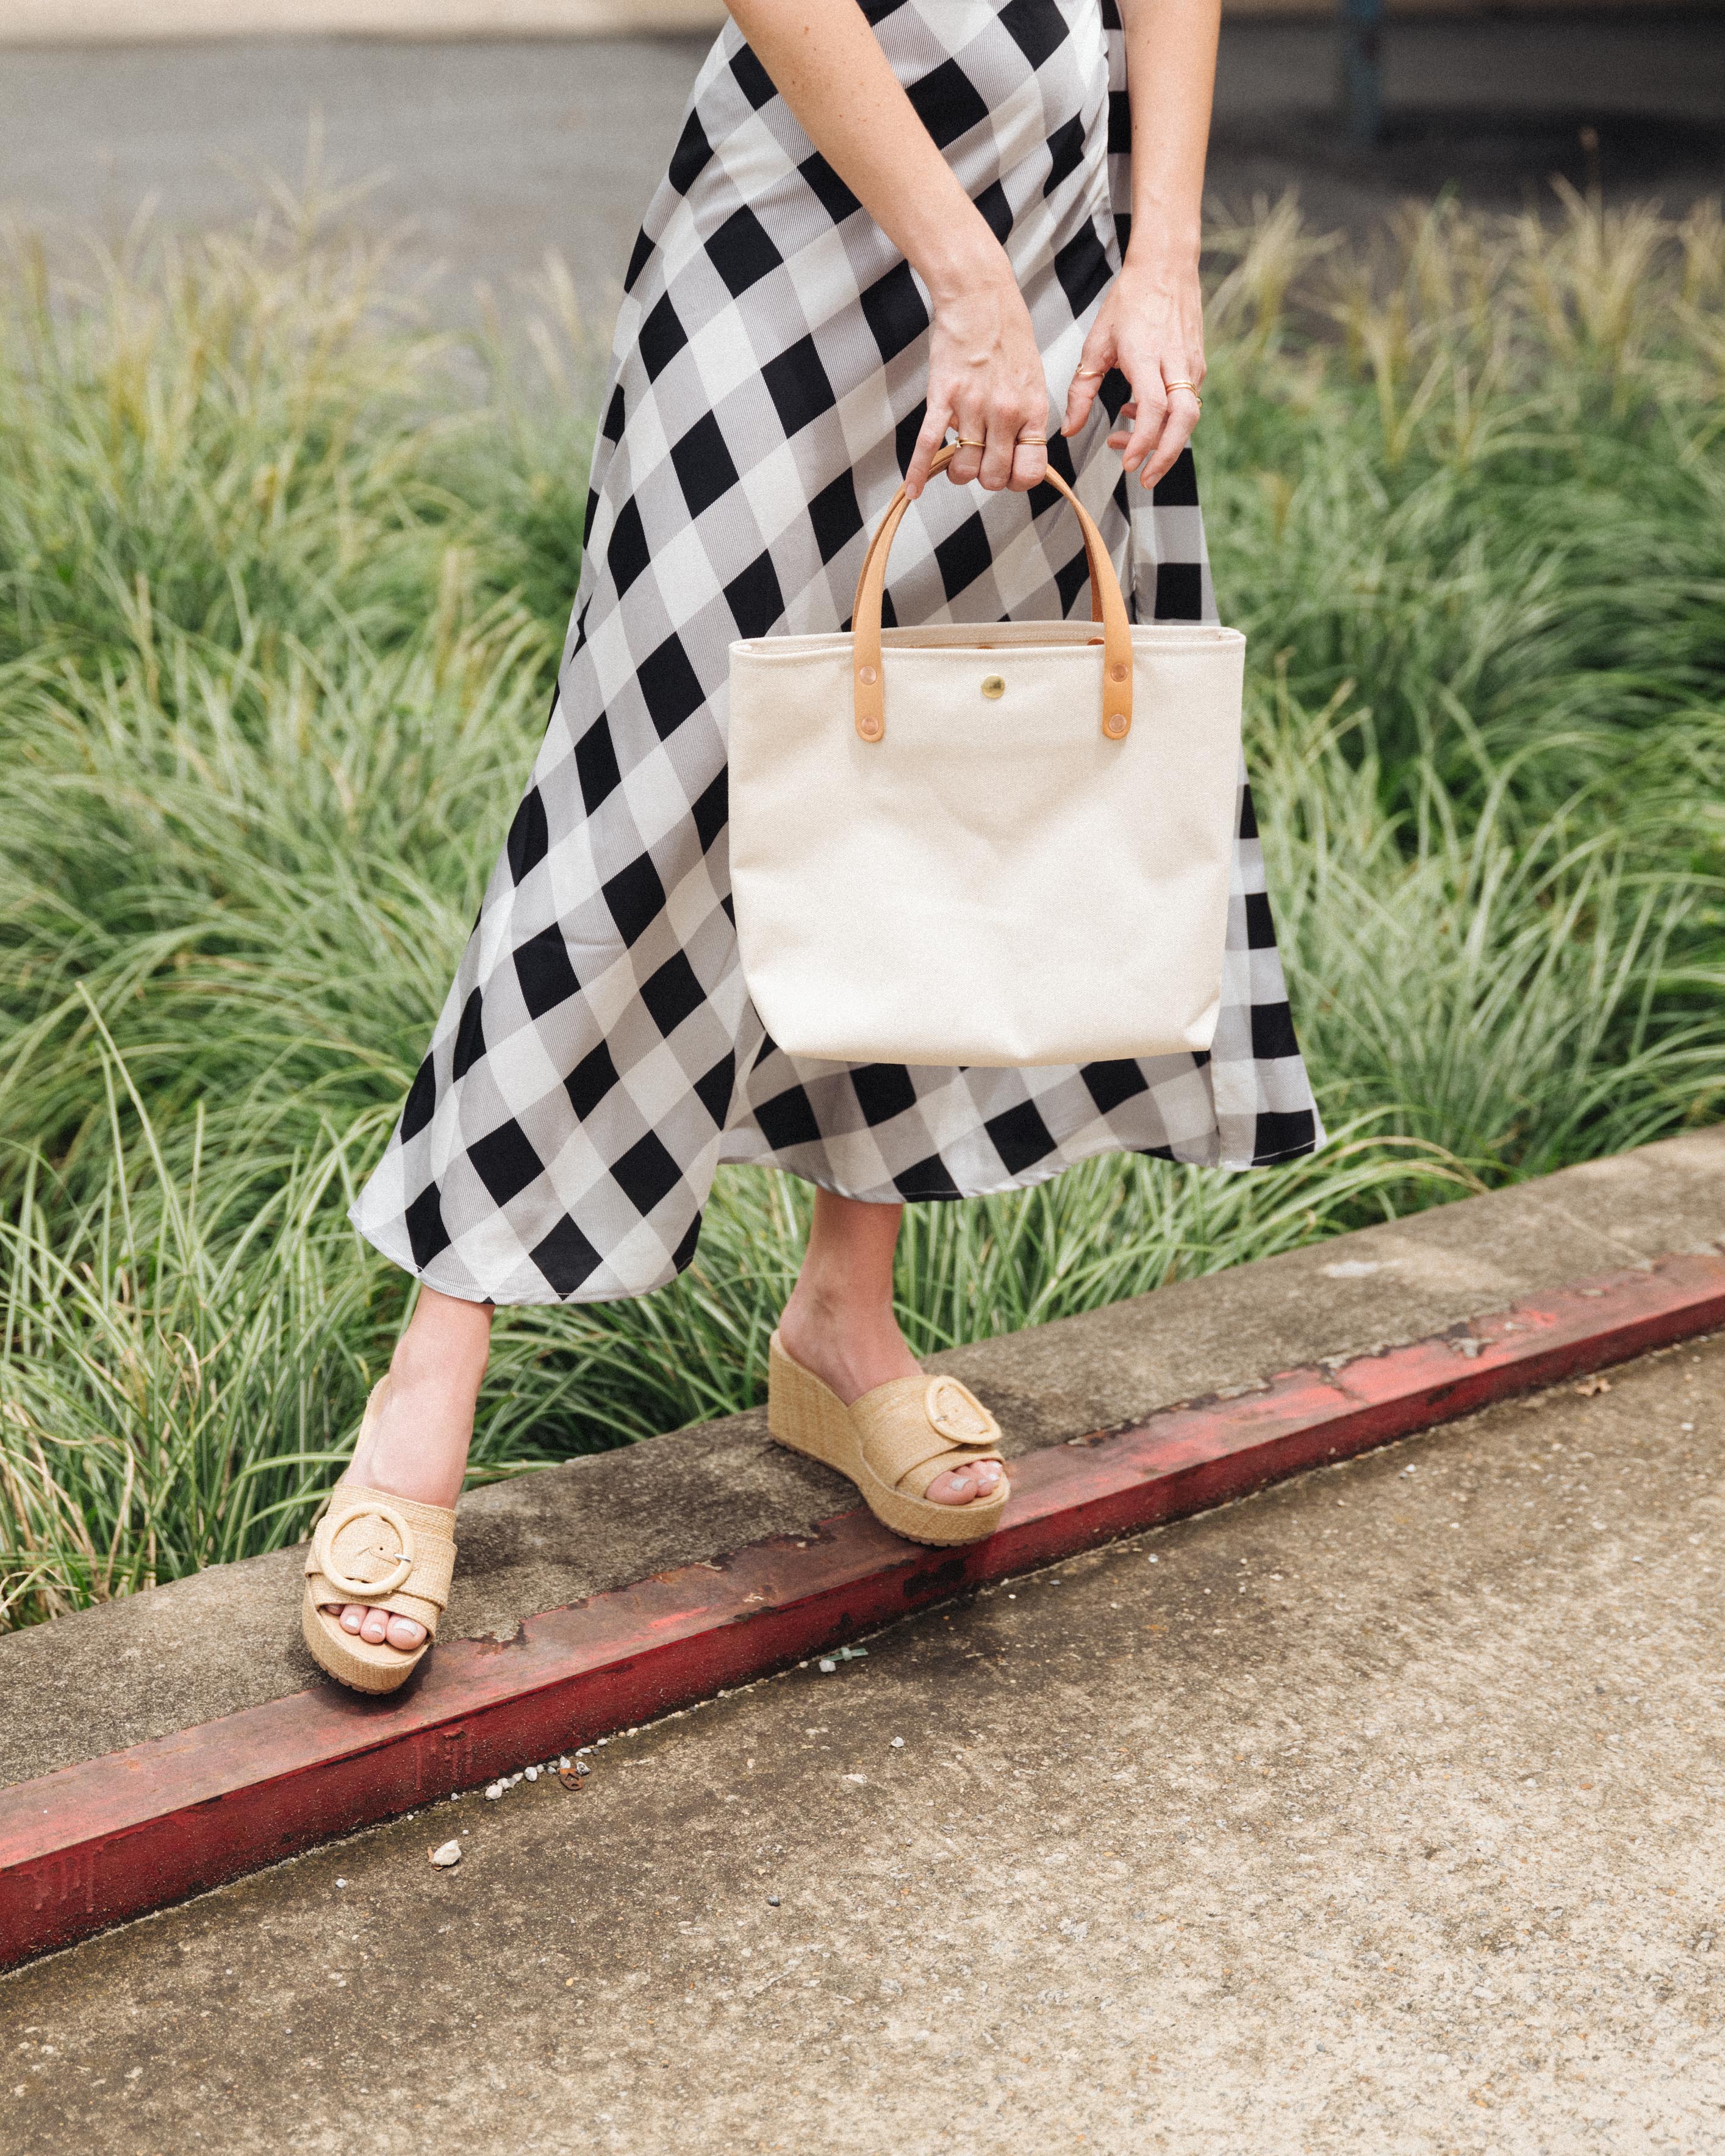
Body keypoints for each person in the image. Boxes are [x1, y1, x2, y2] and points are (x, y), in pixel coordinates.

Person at [301, 0, 1322, 1692]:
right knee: (641, 793)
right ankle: (427, 1391)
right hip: (806, 232)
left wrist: (1160, 256)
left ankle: (843, 1321)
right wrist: (962, 274)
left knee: (936, 767)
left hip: (1064, 221)